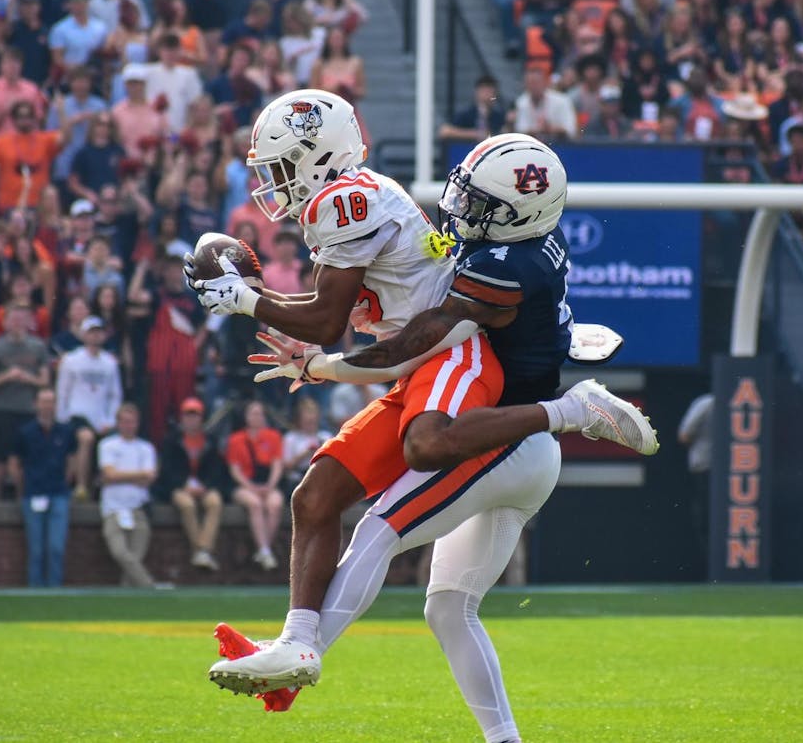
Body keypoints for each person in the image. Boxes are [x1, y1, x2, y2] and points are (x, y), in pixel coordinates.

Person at [204, 132, 655, 737]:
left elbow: (410, 345)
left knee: (384, 519)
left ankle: (299, 654)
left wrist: (313, 357)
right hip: (508, 439)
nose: (462, 211)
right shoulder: (522, 244)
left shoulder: (504, 266)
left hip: (506, 440)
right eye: (465, 195)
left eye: (482, 206)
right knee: (446, 606)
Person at [0, 303, 51, 500]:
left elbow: (45, 381)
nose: (18, 323)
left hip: (28, 411)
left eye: (22, 319)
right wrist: (7, 376)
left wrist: (29, 378)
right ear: (5, 322)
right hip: (2, 410)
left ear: (29, 322)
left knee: (26, 461)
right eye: (14, 319)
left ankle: (24, 501)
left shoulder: (38, 347)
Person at [8, 388, 76, 587]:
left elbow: (72, 459)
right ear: (36, 404)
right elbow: (14, 462)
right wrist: (21, 489)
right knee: (36, 549)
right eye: (44, 402)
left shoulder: (66, 431)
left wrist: (69, 480)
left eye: (51, 402)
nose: (48, 406)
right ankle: (35, 590)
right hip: (33, 494)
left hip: (58, 494)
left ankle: (55, 589)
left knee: (56, 547)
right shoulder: (25, 432)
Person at [55, 316, 122, 494]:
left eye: (98, 332)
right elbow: (63, 391)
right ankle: (81, 486)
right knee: (86, 438)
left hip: (101, 417)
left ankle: (101, 487)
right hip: (76, 414)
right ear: (84, 335)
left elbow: (115, 395)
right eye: (91, 332)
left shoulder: (110, 363)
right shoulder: (71, 360)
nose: (95, 336)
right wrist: (61, 418)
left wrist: (110, 419)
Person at [97, 403, 159, 587]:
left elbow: (149, 478)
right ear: (117, 423)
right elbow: (109, 475)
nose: (128, 425)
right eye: (124, 421)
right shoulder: (107, 445)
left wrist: (121, 475)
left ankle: (127, 599)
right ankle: (149, 586)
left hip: (138, 509)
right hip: (113, 510)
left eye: (131, 422)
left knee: (134, 558)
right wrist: (137, 475)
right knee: (120, 553)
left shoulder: (146, 448)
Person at [224, 399, 285, 570]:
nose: (257, 417)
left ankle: (263, 550)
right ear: (246, 417)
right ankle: (265, 551)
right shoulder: (236, 439)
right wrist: (251, 487)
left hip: (267, 484)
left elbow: (277, 464)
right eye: (253, 413)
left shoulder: (273, 436)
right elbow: (234, 470)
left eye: (260, 413)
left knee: (275, 504)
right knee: (255, 503)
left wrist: (270, 485)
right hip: (245, 485)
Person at [169, 396, 227, 570]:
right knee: (186, 505)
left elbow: (217, 470)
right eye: (188, 415)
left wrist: (205, 486)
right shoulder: (172, 440)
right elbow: (168, 471)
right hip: (180, 487)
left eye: (195, 415)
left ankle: (202, 550)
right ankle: (201, 551)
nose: (191, 419)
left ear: (201, 418)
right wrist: (183, 484)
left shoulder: (210, 440)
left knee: (215, 502)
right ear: (182, 418)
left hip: (204, 486)